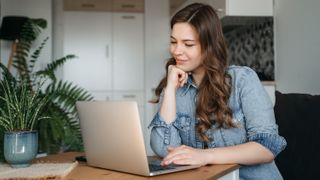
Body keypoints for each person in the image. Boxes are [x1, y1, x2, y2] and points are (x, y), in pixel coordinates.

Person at [148, 3, 287, 180]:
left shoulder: (242, 80)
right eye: (173, 42)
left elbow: (267, 147)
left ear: (210, 46)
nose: (176, 51)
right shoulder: (174, 85)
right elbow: (163, 148)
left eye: (188, 44)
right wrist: (169, 91)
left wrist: (205, 156)